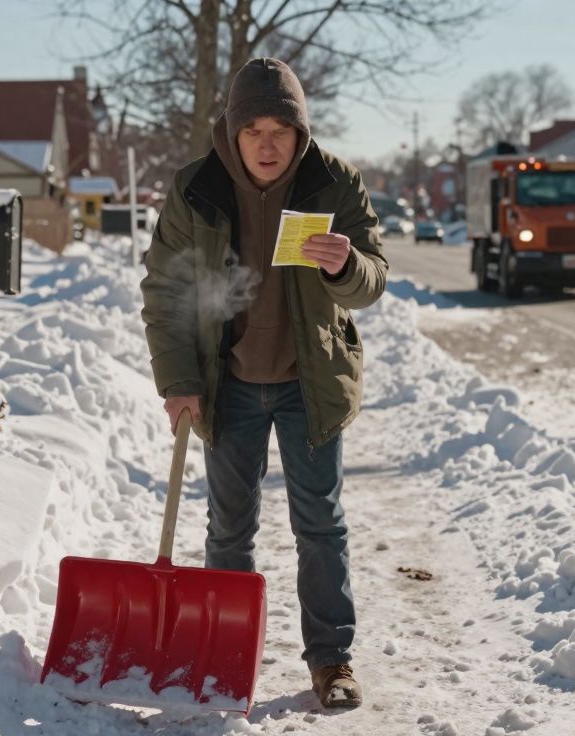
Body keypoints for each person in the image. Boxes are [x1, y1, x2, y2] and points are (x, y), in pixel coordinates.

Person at [139, 57, 387, 709]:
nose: (269, 144)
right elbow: (166, 290)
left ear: (300, 133)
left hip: (311, 385)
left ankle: (331, 660)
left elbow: (374, 281)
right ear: (233, 131)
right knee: (228, 530)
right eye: (255, 130)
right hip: (230, 387)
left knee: (321, 526)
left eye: (283, 129)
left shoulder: (334, 183)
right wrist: (179, 382)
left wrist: (348, 266)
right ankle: (224, 660)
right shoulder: (196, 188)